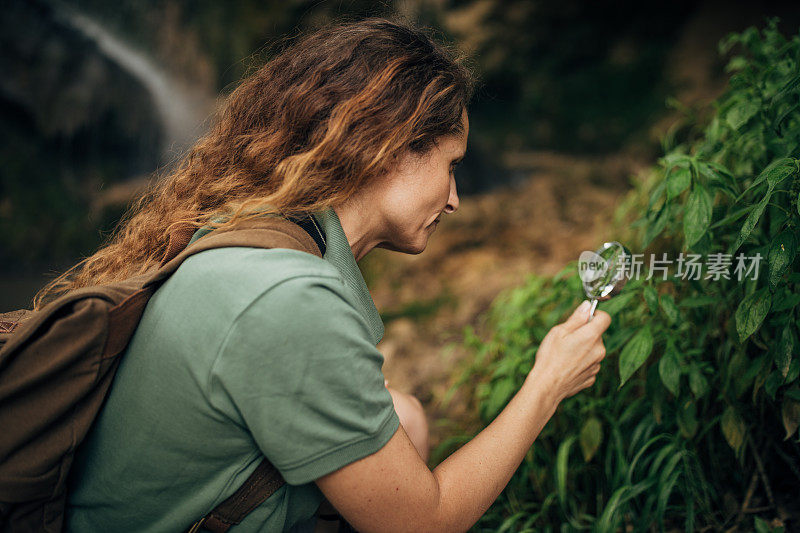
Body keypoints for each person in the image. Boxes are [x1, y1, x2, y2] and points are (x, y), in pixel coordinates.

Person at [40, 15, 611, 533]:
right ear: (391, 148)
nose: (456, 198)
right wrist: (547, 384)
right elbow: (423, 525)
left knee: (404, 416)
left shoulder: (247, 232)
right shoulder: (290, 298)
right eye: (450, 166)